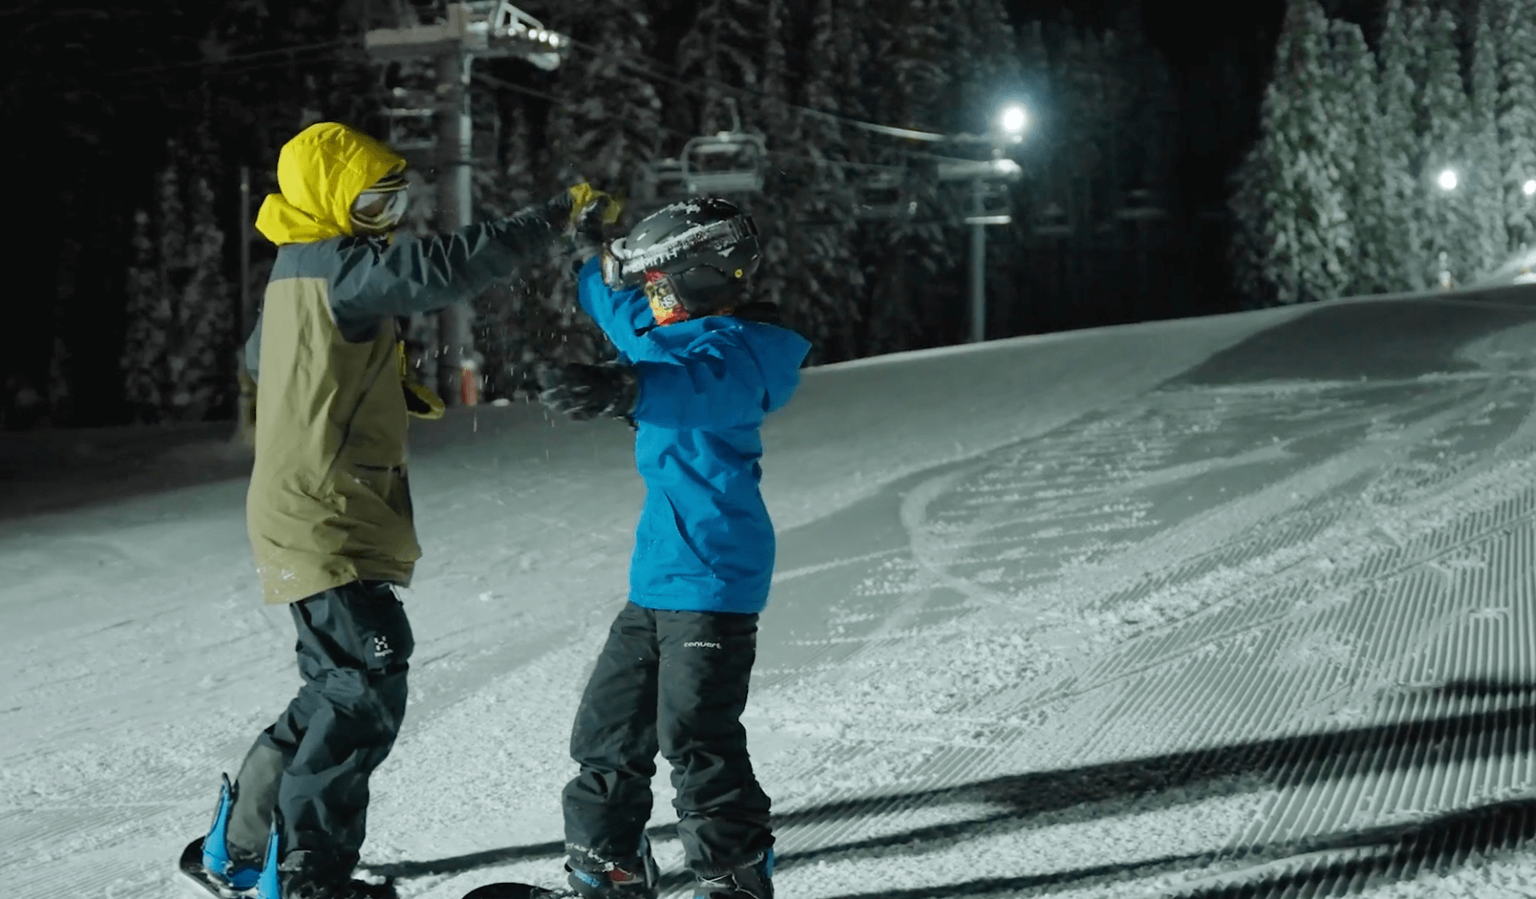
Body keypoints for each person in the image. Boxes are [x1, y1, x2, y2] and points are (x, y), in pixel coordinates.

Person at [185, 121, 613, 899]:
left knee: (337, 683)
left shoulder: (293, 272)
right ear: (327, 199)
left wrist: (366, 383)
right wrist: (554, 219)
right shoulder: (339, 265)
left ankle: (240, 843)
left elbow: (262, 358)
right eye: (370, 205)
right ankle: (310, 872)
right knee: (367, 683)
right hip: (327, 513)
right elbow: (440, 269)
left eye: (392, 204)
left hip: (300, 510)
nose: (383, 221)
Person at [534, 197, 812, 899]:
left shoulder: (738, 355)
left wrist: (625, 388)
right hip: (656, 578)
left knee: (695, 736)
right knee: (607, 731)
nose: (650, 300)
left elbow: (693, 388)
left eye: (659, 285)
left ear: (701, 279)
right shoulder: (666, 335)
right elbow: (616, 306)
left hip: (713, 577)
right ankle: (609, 869)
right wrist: (587, 253)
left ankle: (732, 875)